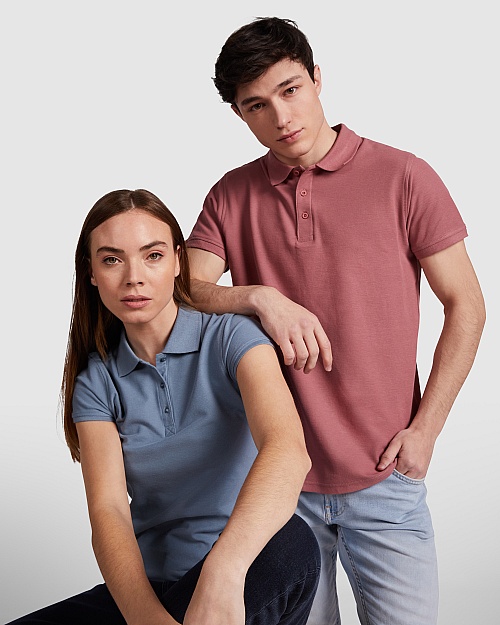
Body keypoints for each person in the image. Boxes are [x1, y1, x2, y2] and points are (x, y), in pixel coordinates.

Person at [185, 16, 486, 625]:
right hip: (279, 490)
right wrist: (260, 297)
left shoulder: (404, 176)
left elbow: (467, 305)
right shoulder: (231, 195)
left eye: (290, 89)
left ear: (318, 79)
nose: (281, 117)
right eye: (257, 105)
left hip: (386, 476)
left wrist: (426, 430)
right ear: (240, 115)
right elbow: (185, 290)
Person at [6, 189, 321, 625]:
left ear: (177, 262)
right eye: (111, 260)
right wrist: (146, 618)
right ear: (91, 273)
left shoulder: (233, 338)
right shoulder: (96, 382)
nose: (133, 278)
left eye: (152, 256)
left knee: (291, 541)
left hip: (249, 566)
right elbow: (109, 511)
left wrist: (221, 573)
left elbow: (287, 451)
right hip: (154, 588)